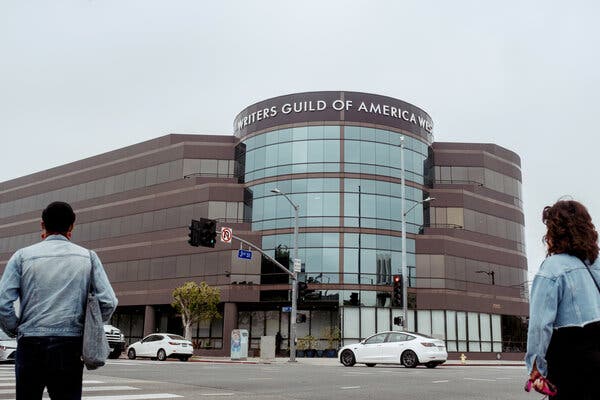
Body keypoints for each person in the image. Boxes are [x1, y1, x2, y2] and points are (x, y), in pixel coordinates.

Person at [0, 201, 118, 400]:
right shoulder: (88, 257)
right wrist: (88, 328)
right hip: (69, 346)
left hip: (30, 344)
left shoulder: (21, 257)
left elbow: (3, 302)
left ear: (42, 225)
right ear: (72, 226)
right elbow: (108, 301)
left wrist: (15, 328)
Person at [525, 199, 600, 399]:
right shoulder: (596, 265)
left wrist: (536, 367)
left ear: (555, 233)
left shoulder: (553, 268)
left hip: (570, 363)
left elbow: (540, 325)